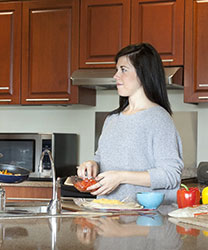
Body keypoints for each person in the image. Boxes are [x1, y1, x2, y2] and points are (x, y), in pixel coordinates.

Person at [77, 43, 184, 204]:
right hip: (107, 215)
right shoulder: (112, 119)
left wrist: (121, 177)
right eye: (117, 69)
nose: (116, 76)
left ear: (143, 74)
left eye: (123, 69)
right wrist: (92, 165)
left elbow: (171, 175)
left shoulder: (159, 119)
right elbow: (101, 160)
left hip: (145, 221)